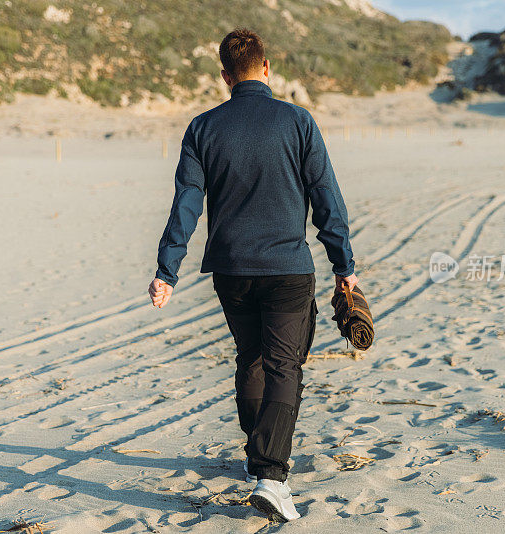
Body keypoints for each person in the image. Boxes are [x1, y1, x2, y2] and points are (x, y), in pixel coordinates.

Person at [148, 28, 357, 522]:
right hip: (287, 268)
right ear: (267, 69)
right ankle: (270, 475)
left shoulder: (203, 128)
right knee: (284, 365)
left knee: (252, 358)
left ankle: (257, 457)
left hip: (232, 270)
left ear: (224, 76)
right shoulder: (298, 121)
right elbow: (327, 197)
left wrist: (167, 269)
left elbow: (186, 202)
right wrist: (343, 265)